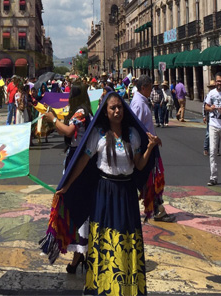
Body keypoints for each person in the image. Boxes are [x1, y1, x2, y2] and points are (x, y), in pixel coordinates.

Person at [41, 92, 159, 296]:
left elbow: (139, 165)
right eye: (112, 108)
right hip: (105, 193)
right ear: (105, 111)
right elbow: (82, 163)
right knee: (104, 240)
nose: (117, 111)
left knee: (127, 238)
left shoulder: (133, 134)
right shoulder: (99, 135)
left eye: (120, 107)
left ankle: (126, 288)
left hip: (127, 194)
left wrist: (150, 147)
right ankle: (103, 287)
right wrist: (67, 185)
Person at [43, 82, 93, 274]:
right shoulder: (84, 111)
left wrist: (53, 119)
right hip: (76, 156)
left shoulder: (81, 111)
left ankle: (80, 253)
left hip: (77, 159)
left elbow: (70, 131)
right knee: (77, 204)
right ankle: (80, 253)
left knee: (75, 204)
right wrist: (55, 122)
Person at [130, 75, 173, 222]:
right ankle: (157, 210)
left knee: (152, 179)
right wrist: (151, 140)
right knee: (150, 179)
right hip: (146, 148)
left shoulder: (142, 102)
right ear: (144, 88)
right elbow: (136, 128)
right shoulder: (139, 104)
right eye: (149, 87)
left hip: (150, 145)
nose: (151, 90)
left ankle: (157, 208)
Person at [202, 80, 216, 156]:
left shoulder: (218, 95)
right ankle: (206, 148)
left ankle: (216, 149)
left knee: (217, 134)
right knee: (208, 134)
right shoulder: (208, 96)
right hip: (209, 117)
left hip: (217, 117)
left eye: (214, 87)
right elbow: (204, 106)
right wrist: (204, 116)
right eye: (212, 87)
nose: (213, 88)